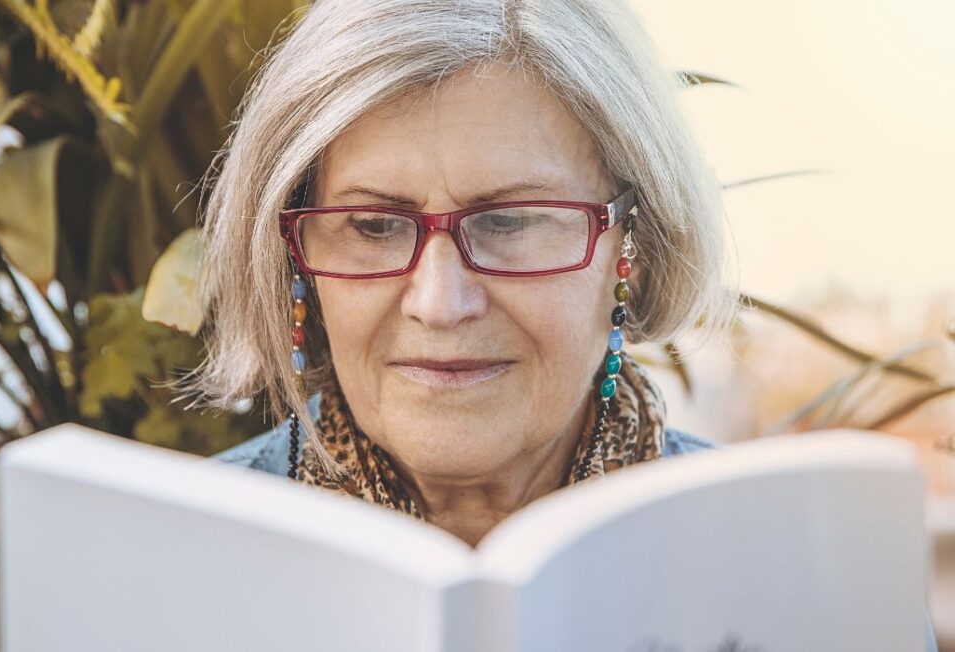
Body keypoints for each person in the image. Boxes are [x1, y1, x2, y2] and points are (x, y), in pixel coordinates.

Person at [192, 1, 937, 647]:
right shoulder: (180, 560)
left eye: (511, 222)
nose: (439, 302)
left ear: (631, 247)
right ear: (296, 255)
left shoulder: (808, 571)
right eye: (374, 226)